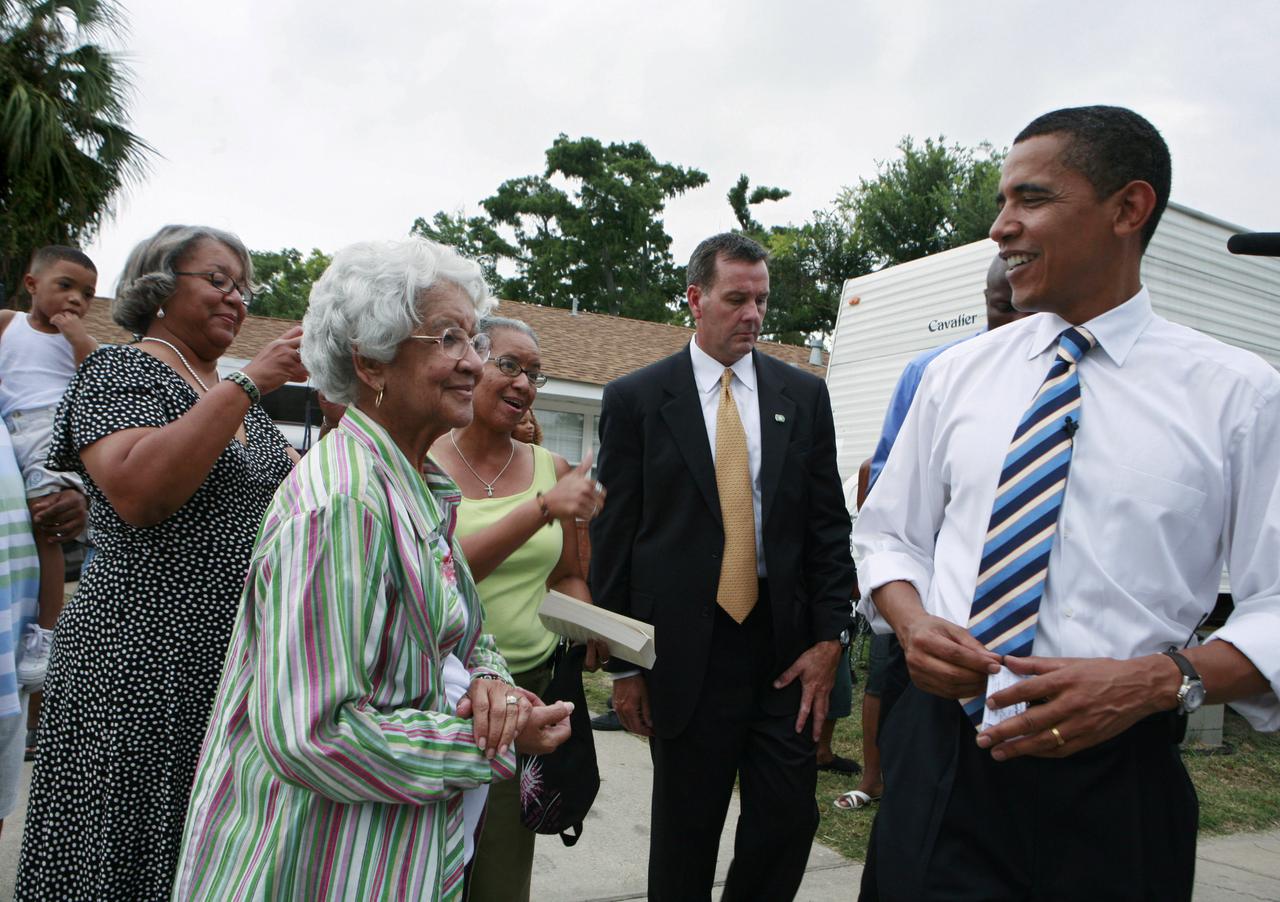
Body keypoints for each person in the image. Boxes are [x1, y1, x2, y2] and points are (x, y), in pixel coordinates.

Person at [853, 105, 1280, 901]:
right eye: (1001, 201)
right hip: (939, 764)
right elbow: (888, 538)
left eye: (1031, 199)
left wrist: (1158, 681)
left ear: (1129, 208)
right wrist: (912, 626)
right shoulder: (957, 376)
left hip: (1114, 789)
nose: (1000, 227)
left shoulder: (1239, 398)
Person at [173, 238, 573, 900]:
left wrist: (492, 685)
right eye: (450, 339)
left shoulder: (413, 484)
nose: (475, 363)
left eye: (473, 340)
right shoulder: (344, 506)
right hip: (311, 863)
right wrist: (492, 745)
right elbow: (314, 733)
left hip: (386, 853)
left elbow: (467, 630)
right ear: (371, 360)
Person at [15, 224, 307, 901]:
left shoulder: (247, 407)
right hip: (136, 658)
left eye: (244, 286)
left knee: (200, 852)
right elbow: (141, 493)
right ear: (157, 285)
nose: (237, 298)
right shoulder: (122, 371)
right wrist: (247, 384)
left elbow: (305, 501)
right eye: (218, 279)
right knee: (121, 850)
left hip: (223, 661)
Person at [590, 232, 854, 900]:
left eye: (761, 299)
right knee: (686, 831)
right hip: (684, 653)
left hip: (782, 651)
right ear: (696, 299)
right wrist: (625, 666)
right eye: (737, 298)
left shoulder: (802, 396)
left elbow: (827, 526)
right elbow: (616, 539)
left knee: (788, 818)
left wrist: (831, 640)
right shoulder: (639, 400)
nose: (753, 314)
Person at [836, 254, 1027, 812]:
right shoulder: (939, 372)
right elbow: (887, 483)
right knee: (891, 686)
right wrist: (900, 598)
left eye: (1026, 309)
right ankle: (879, 779)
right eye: (1002, 308)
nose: (1016, 320)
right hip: (933, 596)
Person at [431, 315, 604, 902]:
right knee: (427, 869)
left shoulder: (550, 470)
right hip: (439, 694)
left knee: (501, 877)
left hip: (522, 699)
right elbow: (441, 575)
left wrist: (590, 629)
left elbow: (567, 576)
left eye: (535, 373)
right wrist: (541, 509)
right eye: (509, 365)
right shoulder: (420, 458)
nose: (525, 384)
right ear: (468, 362)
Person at [0, 245, 98, 690]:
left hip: (48, 434)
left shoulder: (77, 341)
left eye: (87, 294)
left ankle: (45, 631)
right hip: (10, 426)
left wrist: (77, 337)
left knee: (47, 527)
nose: (76, 299)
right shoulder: (9, 324)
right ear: (31, 284)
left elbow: (97, 378)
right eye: (66, 286)